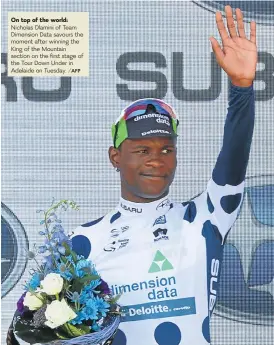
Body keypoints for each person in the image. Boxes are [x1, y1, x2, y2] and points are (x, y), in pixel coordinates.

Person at [71, 5, 257, 345]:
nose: (156, 160)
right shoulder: (83, 241)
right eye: (142, 150)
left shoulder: (205, 217)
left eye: (166, 149)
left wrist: (242, 88)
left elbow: (234, 156)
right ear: (115, 157)